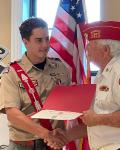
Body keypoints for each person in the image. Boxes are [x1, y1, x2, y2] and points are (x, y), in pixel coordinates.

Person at [48, 21, 120, 150]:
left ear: (105, 50)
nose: (86, 49)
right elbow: (99, 121)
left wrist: (97, 119)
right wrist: (66, 136)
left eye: (90, 45)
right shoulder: (103, 75)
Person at [0, 17, 71, 150]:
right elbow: (13, 114)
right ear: (25, 42)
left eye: (47, 39)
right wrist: (46, 134)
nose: (45, 45)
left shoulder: (60, 68)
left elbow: (68, 103)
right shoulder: (11, 73)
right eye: (39, 40)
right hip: (24, 145)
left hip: (54, 144)